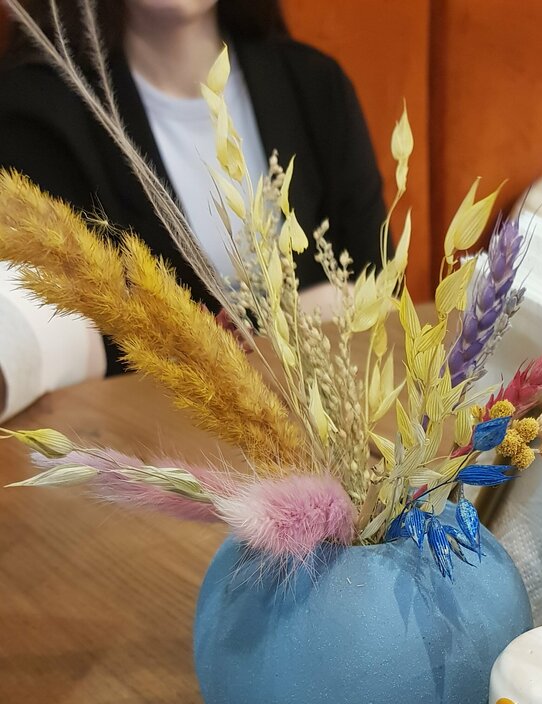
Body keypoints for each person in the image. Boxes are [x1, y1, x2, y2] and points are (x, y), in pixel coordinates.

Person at [0, 0, 387, 419]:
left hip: (332, 431)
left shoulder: (314, 86)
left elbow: (377, 290)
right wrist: (305, 318)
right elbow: (72, 334)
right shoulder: (38, 113)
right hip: (146, 443)